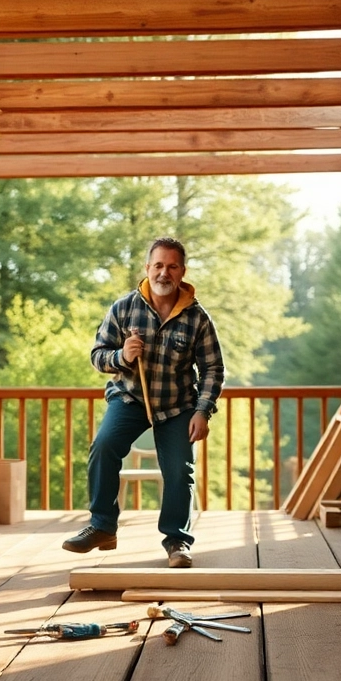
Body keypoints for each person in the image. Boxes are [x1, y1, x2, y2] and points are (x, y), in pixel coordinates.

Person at [62, 237, 224, 568]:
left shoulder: (197, 318)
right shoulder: (123, 309)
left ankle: (177, 540)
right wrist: (121, 355)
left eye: (172, 266)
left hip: (179, 405)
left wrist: (202, 412)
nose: (164, 273)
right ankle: (103, 526)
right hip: (130, 397)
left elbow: (212, 369)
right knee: (104, 446)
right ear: (147, 268)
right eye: (158, 265)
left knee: (180, 470)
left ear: (182, 272)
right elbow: (97, 356)